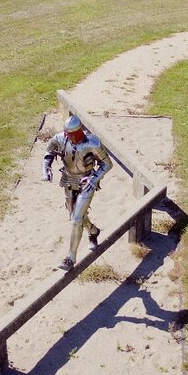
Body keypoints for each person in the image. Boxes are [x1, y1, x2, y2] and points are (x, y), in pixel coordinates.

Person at [42, 115, 112, 271]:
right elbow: (48, 154)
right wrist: (45, 168)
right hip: (68, 180)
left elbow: (107, 164)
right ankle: (93, 231)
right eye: (69, 133)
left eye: (75, 133)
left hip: (87, 182)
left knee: (76, 219)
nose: (72, 136)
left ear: (81, 131)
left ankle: (70, 258)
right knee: (75, 215)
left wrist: (94, 179)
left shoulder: (92, 143)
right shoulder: (60, 139)